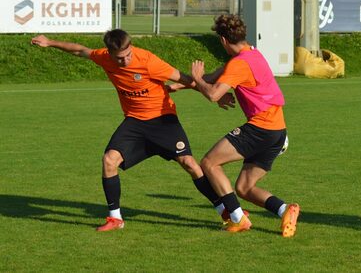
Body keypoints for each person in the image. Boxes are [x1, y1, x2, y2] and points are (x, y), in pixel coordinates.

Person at [31, 29, 230, 231]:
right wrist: (49, 42)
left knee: (189, 164)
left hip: (163, 119)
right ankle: (115, 219)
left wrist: (215, 95)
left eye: (128, 55)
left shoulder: (147, 60)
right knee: (109, 160)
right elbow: (80, 50)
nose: (125, 61)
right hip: (134, 122)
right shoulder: (103, 57)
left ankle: (224, 209)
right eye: (119, 58)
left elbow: (187, 79)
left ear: (131, 47)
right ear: (109, 53)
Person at [190, 15, 300, 236]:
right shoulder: (253, 54)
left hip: (261, 128)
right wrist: (181, 84)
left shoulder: (238, 64)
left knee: (209, 163)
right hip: (277, 131)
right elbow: (212, 79)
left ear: (222, 40)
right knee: (244, 188)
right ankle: (285, 210)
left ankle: (238, 219)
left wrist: (197, 78)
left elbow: (212, 93)